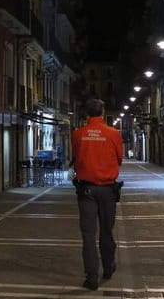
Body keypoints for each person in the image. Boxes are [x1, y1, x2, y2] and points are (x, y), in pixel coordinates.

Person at [71, 98, 123, 290]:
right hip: (108, 190)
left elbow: (76, 157)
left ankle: (91, 276)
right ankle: (108, 267)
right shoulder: (114, 134)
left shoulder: (77, 134)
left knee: (88, 235)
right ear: (103, 113)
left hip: (86, 190)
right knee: (107, 231)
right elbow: (119, 159)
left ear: (86, 113)